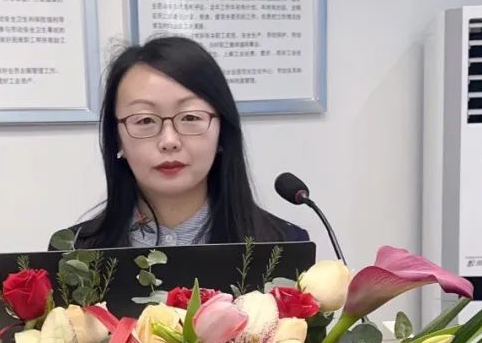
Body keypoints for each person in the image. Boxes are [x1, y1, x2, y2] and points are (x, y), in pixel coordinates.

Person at [52, 36, 308, 249]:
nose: (169, 141)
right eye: (144, 120)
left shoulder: (284, 244)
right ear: (117, 137)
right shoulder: (73, 253)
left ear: (222, 131)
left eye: (190, 117)